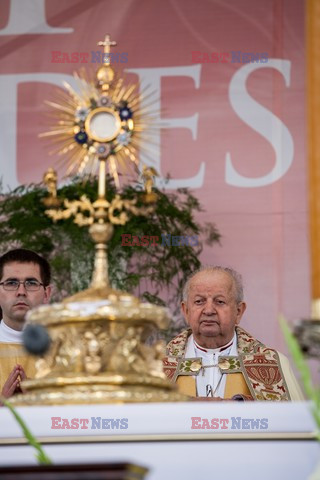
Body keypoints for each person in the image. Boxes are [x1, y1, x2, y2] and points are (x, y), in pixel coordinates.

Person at [163, 266, 304, 401]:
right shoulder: (158, 365)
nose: (209, 310)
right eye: (199, 301)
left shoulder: (273, 363)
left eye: (219, 301)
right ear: (186, 310)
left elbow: (289, 422)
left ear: (238, 311)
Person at [0, 249, 51, 398]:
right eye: (11, 283)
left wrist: (40, 405)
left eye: (31, 283)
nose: (21, 291)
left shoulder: (64, 349)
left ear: (46, 293)